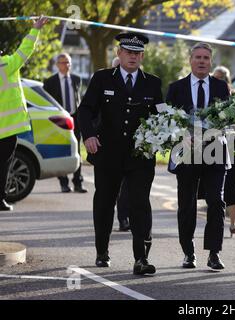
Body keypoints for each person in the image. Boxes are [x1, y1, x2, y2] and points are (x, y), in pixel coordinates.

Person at [78, 32, 163, 275]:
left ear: (142, 56)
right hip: (108, 154)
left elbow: (162, 116)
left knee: (140, 205)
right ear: (119, 53)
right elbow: (85, 110)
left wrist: (166, 136)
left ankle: (141, 258)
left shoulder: (153, 83)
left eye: (137, 53)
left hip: (140, 156)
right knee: (104, 203)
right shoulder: (102, 78)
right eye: (129, 52)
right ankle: (102, 251)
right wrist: (89, 135)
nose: (133, 57)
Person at [166, 42, 230, 270]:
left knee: (216, 200)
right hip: (186, 153)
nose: (202, 61)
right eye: (197, 57)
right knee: (186, 204)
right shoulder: (176, 88)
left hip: (216, 152)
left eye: (205, 57)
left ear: (210, 61)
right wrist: (183, 135)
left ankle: (214, 253)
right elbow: (168, 122)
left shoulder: (222, 88)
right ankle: (188, 252)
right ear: (190, 60)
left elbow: (227, 119)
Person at [0, 16, 48, 211]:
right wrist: (36, 28)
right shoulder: (6, 64)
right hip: (7, 129)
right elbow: (25, 49)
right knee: (3, 166)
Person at [43, 53, 87, 193]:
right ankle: (63, 183)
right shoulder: (50, 82)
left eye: (68, 62)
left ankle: (78, 182)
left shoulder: (76, 79)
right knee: (62, 150)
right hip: (59, 121)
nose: (66, 65)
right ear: (57, 65)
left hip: (75, 119)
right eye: (63, 62)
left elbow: (77, 98)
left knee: (77, 151)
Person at [212, 65, 235, 237]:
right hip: (215, 146)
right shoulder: (210, 96)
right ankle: (217, 218)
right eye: (217, 77)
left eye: (223, 77)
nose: (220, 80)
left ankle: (233, 222)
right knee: (215, 186)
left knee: (234, 185)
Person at [111, 56, 130, 232]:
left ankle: (128, 216)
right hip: (112, 149)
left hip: (134, 148)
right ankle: (122, 218)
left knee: (130, 187)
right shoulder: (105, 85)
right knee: (118, 187)